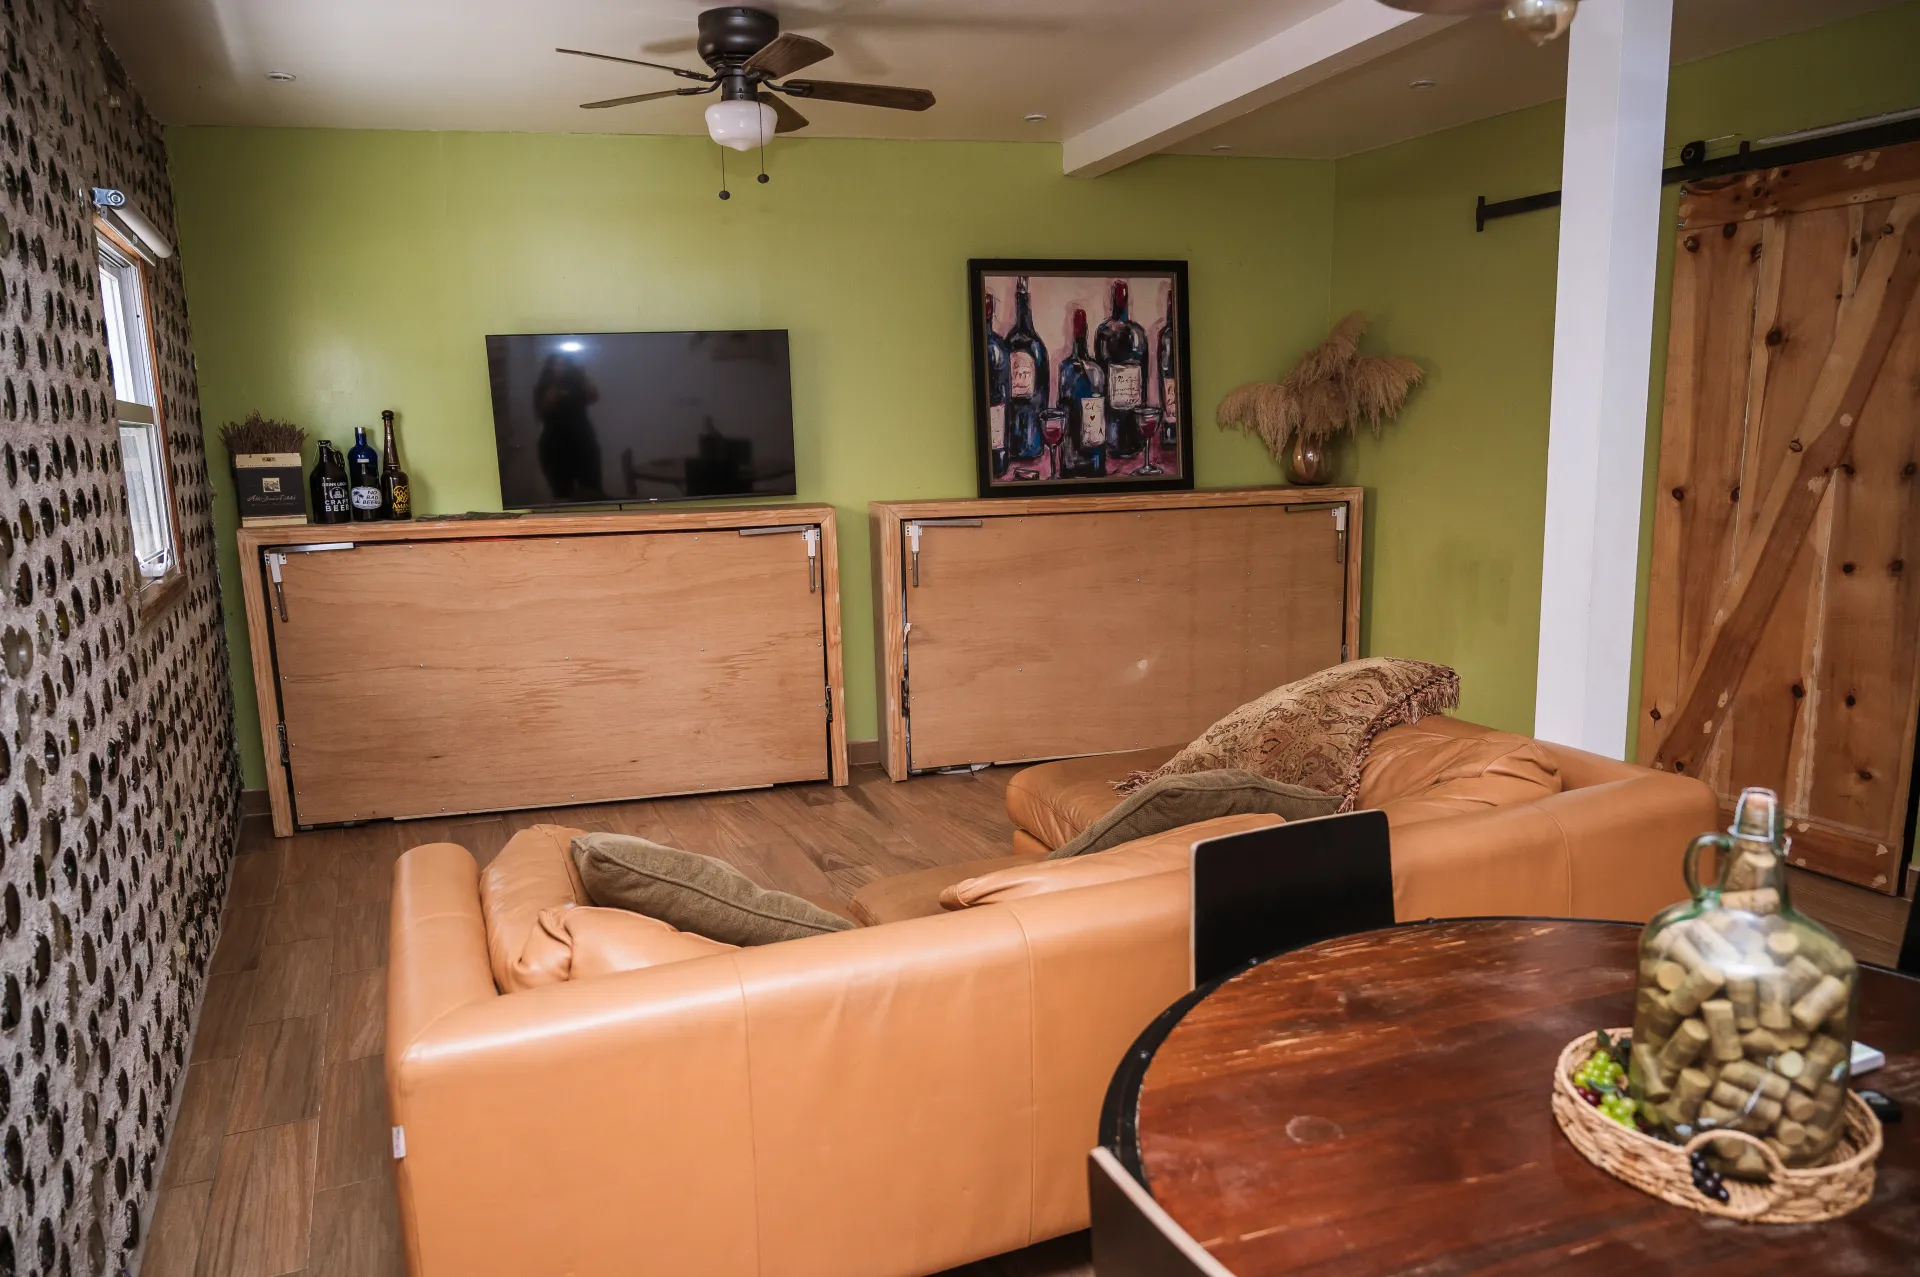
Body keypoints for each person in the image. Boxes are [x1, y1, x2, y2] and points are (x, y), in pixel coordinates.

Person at [532, 353, 605, 501]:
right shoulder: (544, 387)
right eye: (557, 364)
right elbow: (544, 408)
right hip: (555, 447)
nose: (561, 368)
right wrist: (555, 382)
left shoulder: (578, 383)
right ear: (550, 367)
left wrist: (582, 376)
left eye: (565, 364)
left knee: (593, 492)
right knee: (562, 495)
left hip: (584, 443)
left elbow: (594, 396)